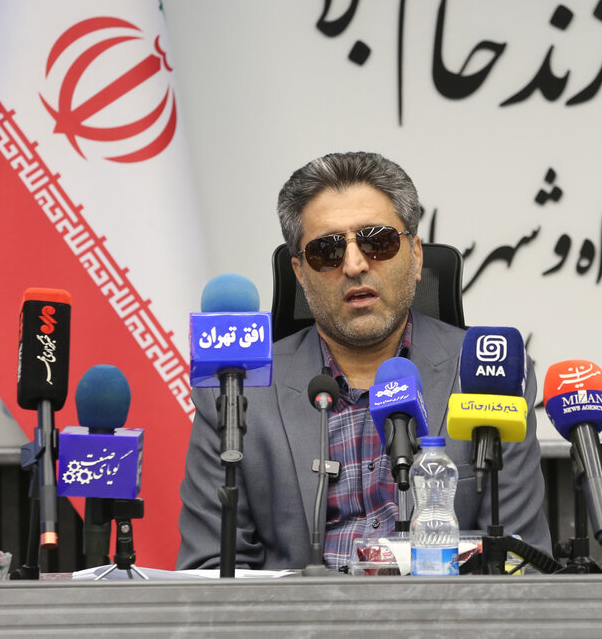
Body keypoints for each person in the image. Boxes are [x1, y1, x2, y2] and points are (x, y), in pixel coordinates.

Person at [177, 151, 551, 571]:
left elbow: (522, 562)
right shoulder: (237, 391)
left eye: (377, 241)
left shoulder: (489, 377)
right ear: (300, 272)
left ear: (416, 255)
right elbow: (212, 569)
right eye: (327, 251)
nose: (354, 265)